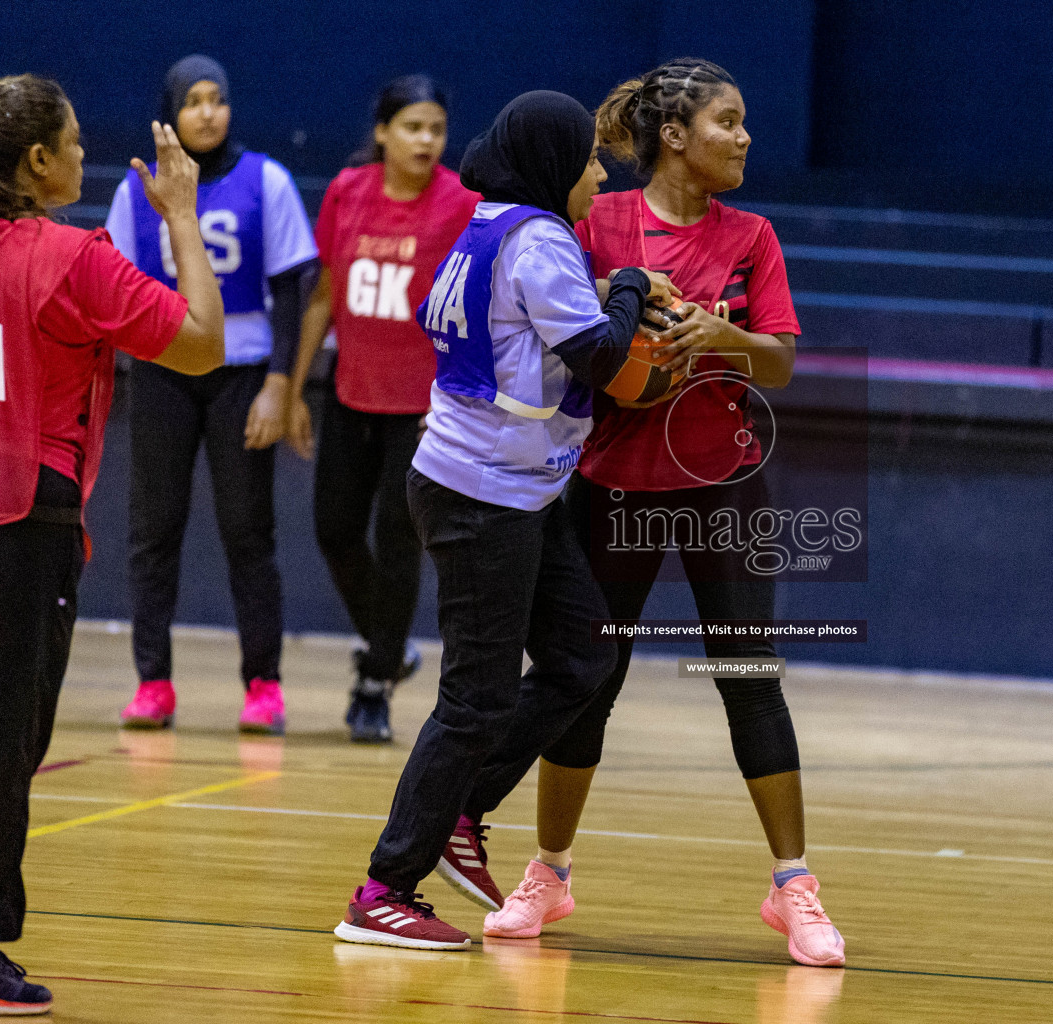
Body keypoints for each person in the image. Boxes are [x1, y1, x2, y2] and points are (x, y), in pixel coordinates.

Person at [464, 59, 845, 968]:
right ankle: (549, 874)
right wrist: (617, 311)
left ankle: (794, 887)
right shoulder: (594, 222)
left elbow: (783, 362)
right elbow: (547, 319)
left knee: (750, 677)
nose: (746, 136)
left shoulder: (752, 236)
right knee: (585, 680)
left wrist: (726, 338)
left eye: (743, 120)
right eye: (729, 121)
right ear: (674, 136)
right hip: (610, 478)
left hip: (722, 484)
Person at [332, 89, 676, 950]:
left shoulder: (489, 223)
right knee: (474, 699)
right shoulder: (539, 237)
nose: (599, 175)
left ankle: (460, 812)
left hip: (507, 488)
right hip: (482, 492)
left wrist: (608, 292)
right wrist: (629, 286)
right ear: (555, 163)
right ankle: (384, 887)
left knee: (585, 654)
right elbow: (598, 356)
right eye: (590, 161)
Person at [0, 75, 223, 1014]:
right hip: (18, 522)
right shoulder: (70, 257)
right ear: (38, 162)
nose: (84, 156)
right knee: (0, 743)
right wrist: (182, 218)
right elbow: (200, 341)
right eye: (73, 142)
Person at [106, 54, 318, 734]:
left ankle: (263, 686)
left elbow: (292, 288)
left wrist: (281, 386)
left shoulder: (268, 181)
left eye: (216, 99)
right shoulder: (136, 189)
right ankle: (153, 683)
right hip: (163, 372)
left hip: (244, 374)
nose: (206, 111)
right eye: (192, 100)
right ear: (171, 110)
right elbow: (113, 284)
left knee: (247, 533)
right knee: (152, 530)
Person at [286, 75, 480, 743]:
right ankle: (390, 648)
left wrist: (454, 395)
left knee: (399, 544)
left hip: (420, 406)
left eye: (436, 129)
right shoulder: (348, 192)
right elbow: (322, 298)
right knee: (335, 529)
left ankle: (373, 685)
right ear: (382, 132)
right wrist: (291, 392)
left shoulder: (460, 205)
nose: (426, 140)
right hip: (349, 391)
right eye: (413, 127)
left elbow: (473, 314)